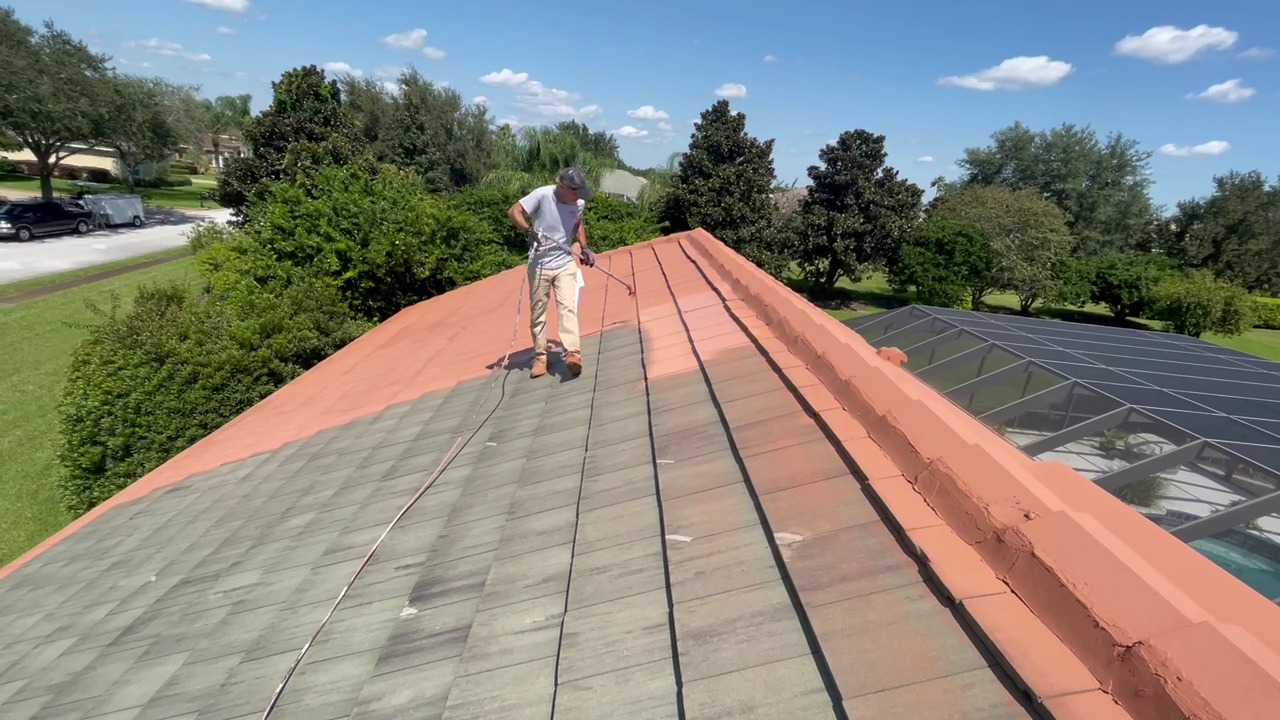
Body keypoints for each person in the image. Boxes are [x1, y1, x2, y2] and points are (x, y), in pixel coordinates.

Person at [509, 166, 597, 379]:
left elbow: (578, 223)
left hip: (565, 262)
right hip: (539, 264)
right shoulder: (542, 195)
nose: (578, 197)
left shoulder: (579, 203)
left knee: (568, 308)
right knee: (538, 312)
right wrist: (528, 230)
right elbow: (514, 211)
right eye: (575, 192)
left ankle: (572, 354)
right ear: (562, 187)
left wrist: (584, 247)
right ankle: (541, 357)